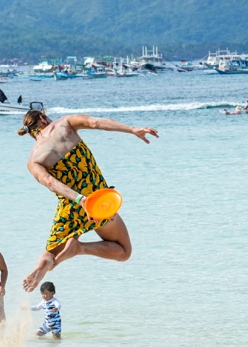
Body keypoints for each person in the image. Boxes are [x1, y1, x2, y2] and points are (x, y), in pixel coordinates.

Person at [17, 107, 159, 291]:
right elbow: (97, 122)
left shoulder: (33, 160)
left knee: (50, 254)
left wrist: (79, 200)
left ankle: (43, 265)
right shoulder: (65, 123)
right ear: (43, 119)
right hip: (98, 202)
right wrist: (132, 129)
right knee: (124, 252)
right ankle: (80, 248)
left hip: (71, 207)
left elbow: (51, 183)